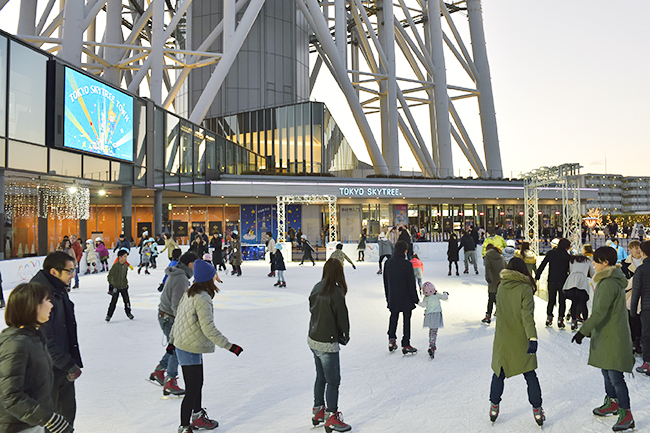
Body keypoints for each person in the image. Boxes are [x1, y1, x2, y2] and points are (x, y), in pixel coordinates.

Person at [170, 260, 243, 433]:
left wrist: (172, 341)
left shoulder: (190, 292)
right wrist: (230, 346)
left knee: (198, 384)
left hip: (190, 344)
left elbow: (178, 318)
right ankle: (184, 426)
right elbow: (208, 329)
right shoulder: (202, 297)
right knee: (192, 389)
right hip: (188, 346)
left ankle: (197, 416)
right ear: (208, 278)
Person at [572, 246, 635, 432]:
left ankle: (627, 413)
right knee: (607, 372)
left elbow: (599, 312)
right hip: (607, 334)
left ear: (605, 263)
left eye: (597, 261)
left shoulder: (608, 283)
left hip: (612, 336)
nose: (594, 263)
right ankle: (613, 402)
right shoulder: (609, 280)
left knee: (615, 376)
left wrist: (583, 331)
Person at [0, 282, 74, 433]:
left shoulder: (34, 337)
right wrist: (49, 418)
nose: (51, 305)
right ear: (32, 306)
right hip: (17, 427)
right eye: (46, 300)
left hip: (31, 423)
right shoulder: (16, 344)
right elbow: (10, 396)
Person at [489, 257, 544, 427]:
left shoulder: (501, 286)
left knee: (499, 372)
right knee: (530, 373)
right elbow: (527, 316)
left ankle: (493, 407)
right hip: (521, 337)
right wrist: (532, 338)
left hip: (503, 338)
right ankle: (537, 409)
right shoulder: (525, 288)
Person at [30, 251, 83, 426]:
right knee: (53, 421)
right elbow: (44, 340)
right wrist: (68, 364)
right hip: (48, 370)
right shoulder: (40, 295)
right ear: (54, 272)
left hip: (60, 367)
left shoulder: (57, 289)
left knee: (66, 417)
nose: (72, 275)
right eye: (69, 271)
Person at [308, 258, 351, 433]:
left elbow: (312, 309)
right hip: (327, 341)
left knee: (321, 377)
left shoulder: (317, 287)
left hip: (313, 338)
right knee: (333, 381)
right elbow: (343, 318)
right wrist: (344, 336)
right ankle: (331, 416)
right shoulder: (336, 292)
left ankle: (318, 410)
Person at [150, 251, 200, 397]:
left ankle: (160, 370)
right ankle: (170, 381)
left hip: (166, 315)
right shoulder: (181, 278)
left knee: (174, 346)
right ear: (190, 264)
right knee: (179, 347)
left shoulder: (179, 274)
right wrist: (183, 322)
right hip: (169, 317)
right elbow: (177, 304)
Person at [383, 240, 419, 354]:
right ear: (405, 251)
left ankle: (392, 339)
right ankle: (406, 343)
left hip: (393, 296)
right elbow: (411, 283)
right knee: (406, 320)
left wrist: (388, 297)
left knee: (393, 316)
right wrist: (415, 298)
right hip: (406, 297)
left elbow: (385, 282)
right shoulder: (407, 264)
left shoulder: (388, 263)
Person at [535, 238, 571, 328]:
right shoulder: (567, 256)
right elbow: (571, 269)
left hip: (552, 279)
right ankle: (560, 319)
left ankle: (549, 317)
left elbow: (543, 264)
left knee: (551, 299)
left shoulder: (551, 253)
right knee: (562, 301)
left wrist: (537, 275)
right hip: (563, 280)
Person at [562, 250, 595, 330]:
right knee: (583, 303)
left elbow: (570, 270)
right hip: (582, 281)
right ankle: (585, 321)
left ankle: (573, 321)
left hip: (571, 281)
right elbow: (592, 273)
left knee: (574, 302)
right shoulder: (588, 261)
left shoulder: (572, 260)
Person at [631, 240, 650, 375]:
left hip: (647, 308)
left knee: (646, 335)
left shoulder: (641, 270)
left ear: (643, 253)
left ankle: (648, 363)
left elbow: (636, 292)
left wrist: (633, 310)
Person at [621, 240, 643, 354]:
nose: (637, 250)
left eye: (639, 247)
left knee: (641, 320)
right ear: (630, 249)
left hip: (644, 295)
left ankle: (639, 341)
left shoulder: (646, 262)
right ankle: (633, 341)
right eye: (635, 248)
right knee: (631, 318)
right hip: (629, 295)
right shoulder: (624, 263)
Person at [418, 281, 448, 359]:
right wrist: (445, 293)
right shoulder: (437, 295)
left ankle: (432, 344)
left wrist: (416, 301)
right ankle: (432, 345)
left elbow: (423, 305)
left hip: (429, 315)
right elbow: (445, 298)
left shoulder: (426, 298)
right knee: (434, 331)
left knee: (431, 331)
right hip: (436, 314)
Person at [106, 249, 133, 322]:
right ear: (119, 257)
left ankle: (128, 313)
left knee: (127, 301)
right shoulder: (115, 266)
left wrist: (126, 284)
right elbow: (110, 276)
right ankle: (109, 315)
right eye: (124, 257)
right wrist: (111, 284)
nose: (125, 258)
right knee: (113, 302)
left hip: (124, 286)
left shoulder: (125, 266)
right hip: (116, 287)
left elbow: (124, 276)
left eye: (126, 257)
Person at [483, 244, 505, 324]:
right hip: (501, 279)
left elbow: (487, 267)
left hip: (492, 279)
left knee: (491, 298)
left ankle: (488, 315)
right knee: (498, 297)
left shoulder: (488, 256)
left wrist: (488, 277)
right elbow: (505, 266)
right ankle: (500, 312)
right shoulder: (500, 255)